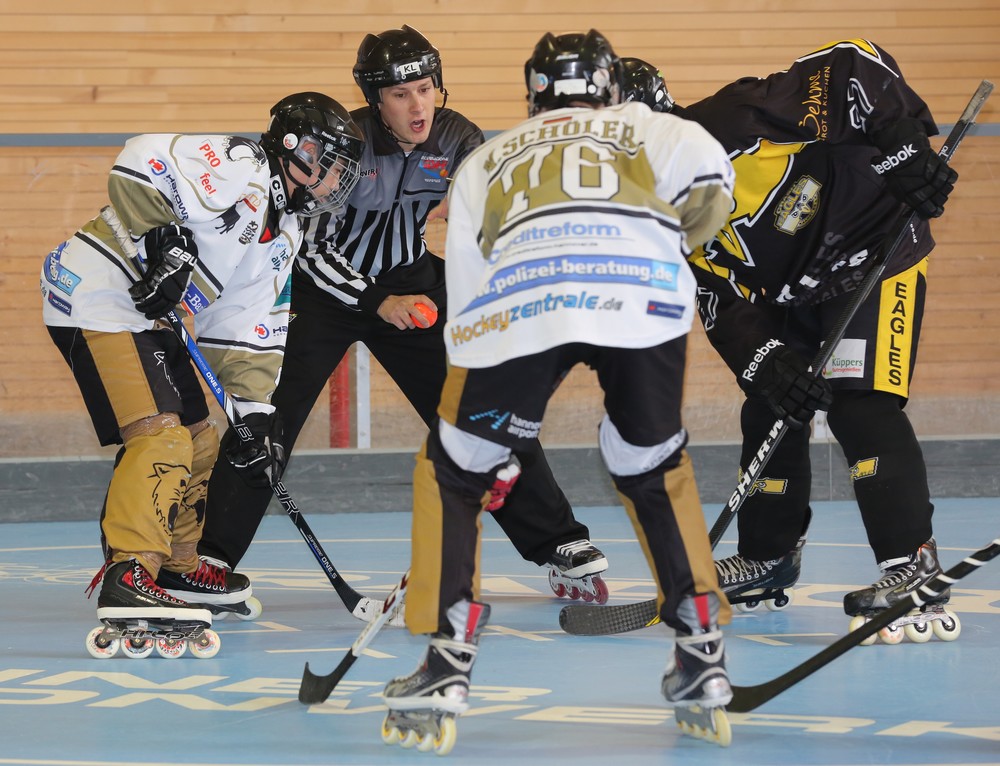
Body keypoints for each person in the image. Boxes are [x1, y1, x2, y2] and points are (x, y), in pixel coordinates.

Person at [380, 30, 737, 754]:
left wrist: (486, 443)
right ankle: (700, 646)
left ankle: (446, 657)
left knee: (453, 470)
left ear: (534, 93)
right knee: (650, 464)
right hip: (641, 302)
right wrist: (662, 249)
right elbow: (712, 197)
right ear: (609, 85)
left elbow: (468, 277)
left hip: (524, 303)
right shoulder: (656, 127)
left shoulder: (489, 156)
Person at [197, 24, 612, 605]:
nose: (418, 106)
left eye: (424, 89)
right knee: (268, 419)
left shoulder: (457, 136)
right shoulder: (344, 142)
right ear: (376, 101)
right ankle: (209, 559)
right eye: (400, 94)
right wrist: (377, 303)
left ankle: (558, 542)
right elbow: (311, 249)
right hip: (323, 290)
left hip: (411, 279)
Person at [621, 42, 960, 636]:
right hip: (793, 289)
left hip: (876, 251)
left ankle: (912, 564)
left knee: (860, 404)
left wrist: (903, 146)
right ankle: (768, 556)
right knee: (771, 405)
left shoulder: (736, 120)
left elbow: (853, 62)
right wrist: (767, 362)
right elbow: (717, 297)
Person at [40, 92, 365, 652]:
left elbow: (245, 325)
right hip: (97, 296)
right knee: (161, 438)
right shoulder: (243, 163)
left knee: (200, 440)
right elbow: (141, 159)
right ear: (298, 150)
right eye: (333, 164)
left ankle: (176, 568)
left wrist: (255, 415)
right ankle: (128, 574)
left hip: (145, 319)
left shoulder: (284, 230)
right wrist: (164, 238)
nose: (338, 181)